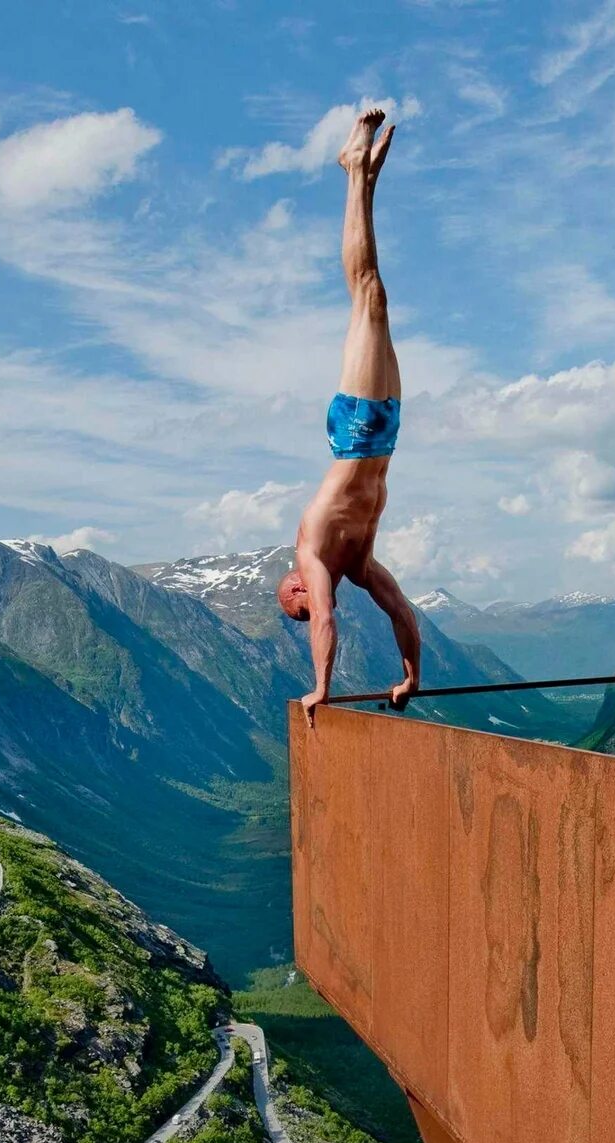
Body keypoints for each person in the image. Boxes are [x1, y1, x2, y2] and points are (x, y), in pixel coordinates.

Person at [279, 110, 421, 710]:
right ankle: (362, 179)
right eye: (306, 599)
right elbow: (400, 611)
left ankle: (351, 172)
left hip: (356, 435)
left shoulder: (312, 551)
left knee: (366, 292)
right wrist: (412, 675)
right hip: (384, 433)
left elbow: (325, 622)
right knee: (376, 295)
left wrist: (321, 688)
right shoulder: (358, 563)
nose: (309, 598)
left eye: (298, 599)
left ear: (293, 584)